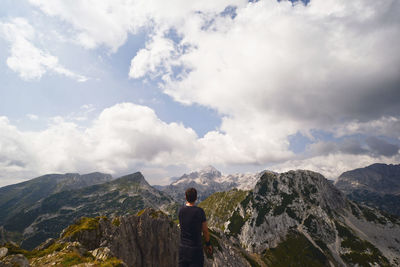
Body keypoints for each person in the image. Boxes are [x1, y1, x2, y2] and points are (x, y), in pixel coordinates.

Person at [178, 188, 212, 267]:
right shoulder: (199, 211)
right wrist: (208, 244)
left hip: (183, 249)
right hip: (196, 250)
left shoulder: (180, 210)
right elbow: (205, 231)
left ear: (185, 197)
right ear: (196, 198)